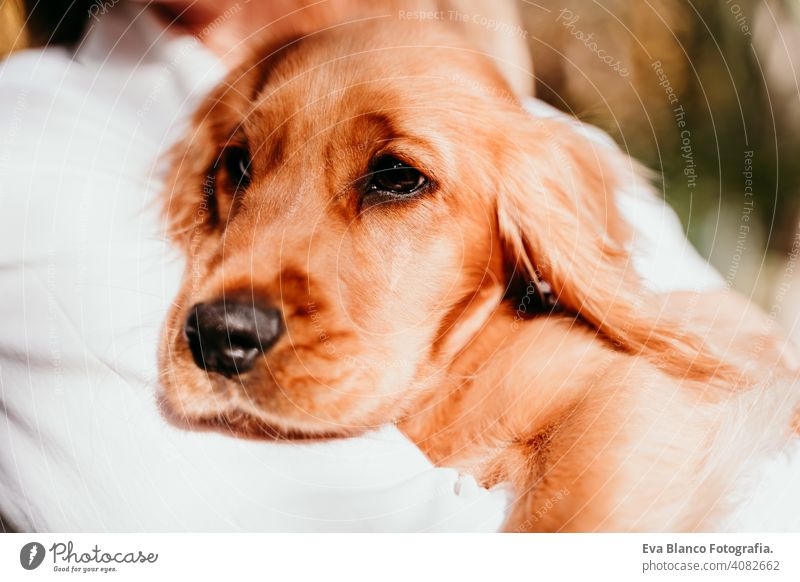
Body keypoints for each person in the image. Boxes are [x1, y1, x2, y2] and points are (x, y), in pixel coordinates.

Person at [1, 0, 794, 532]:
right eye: (240, 171)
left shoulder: (510, 127)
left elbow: (713, 382)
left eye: (394, 178)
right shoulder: (39, 132)